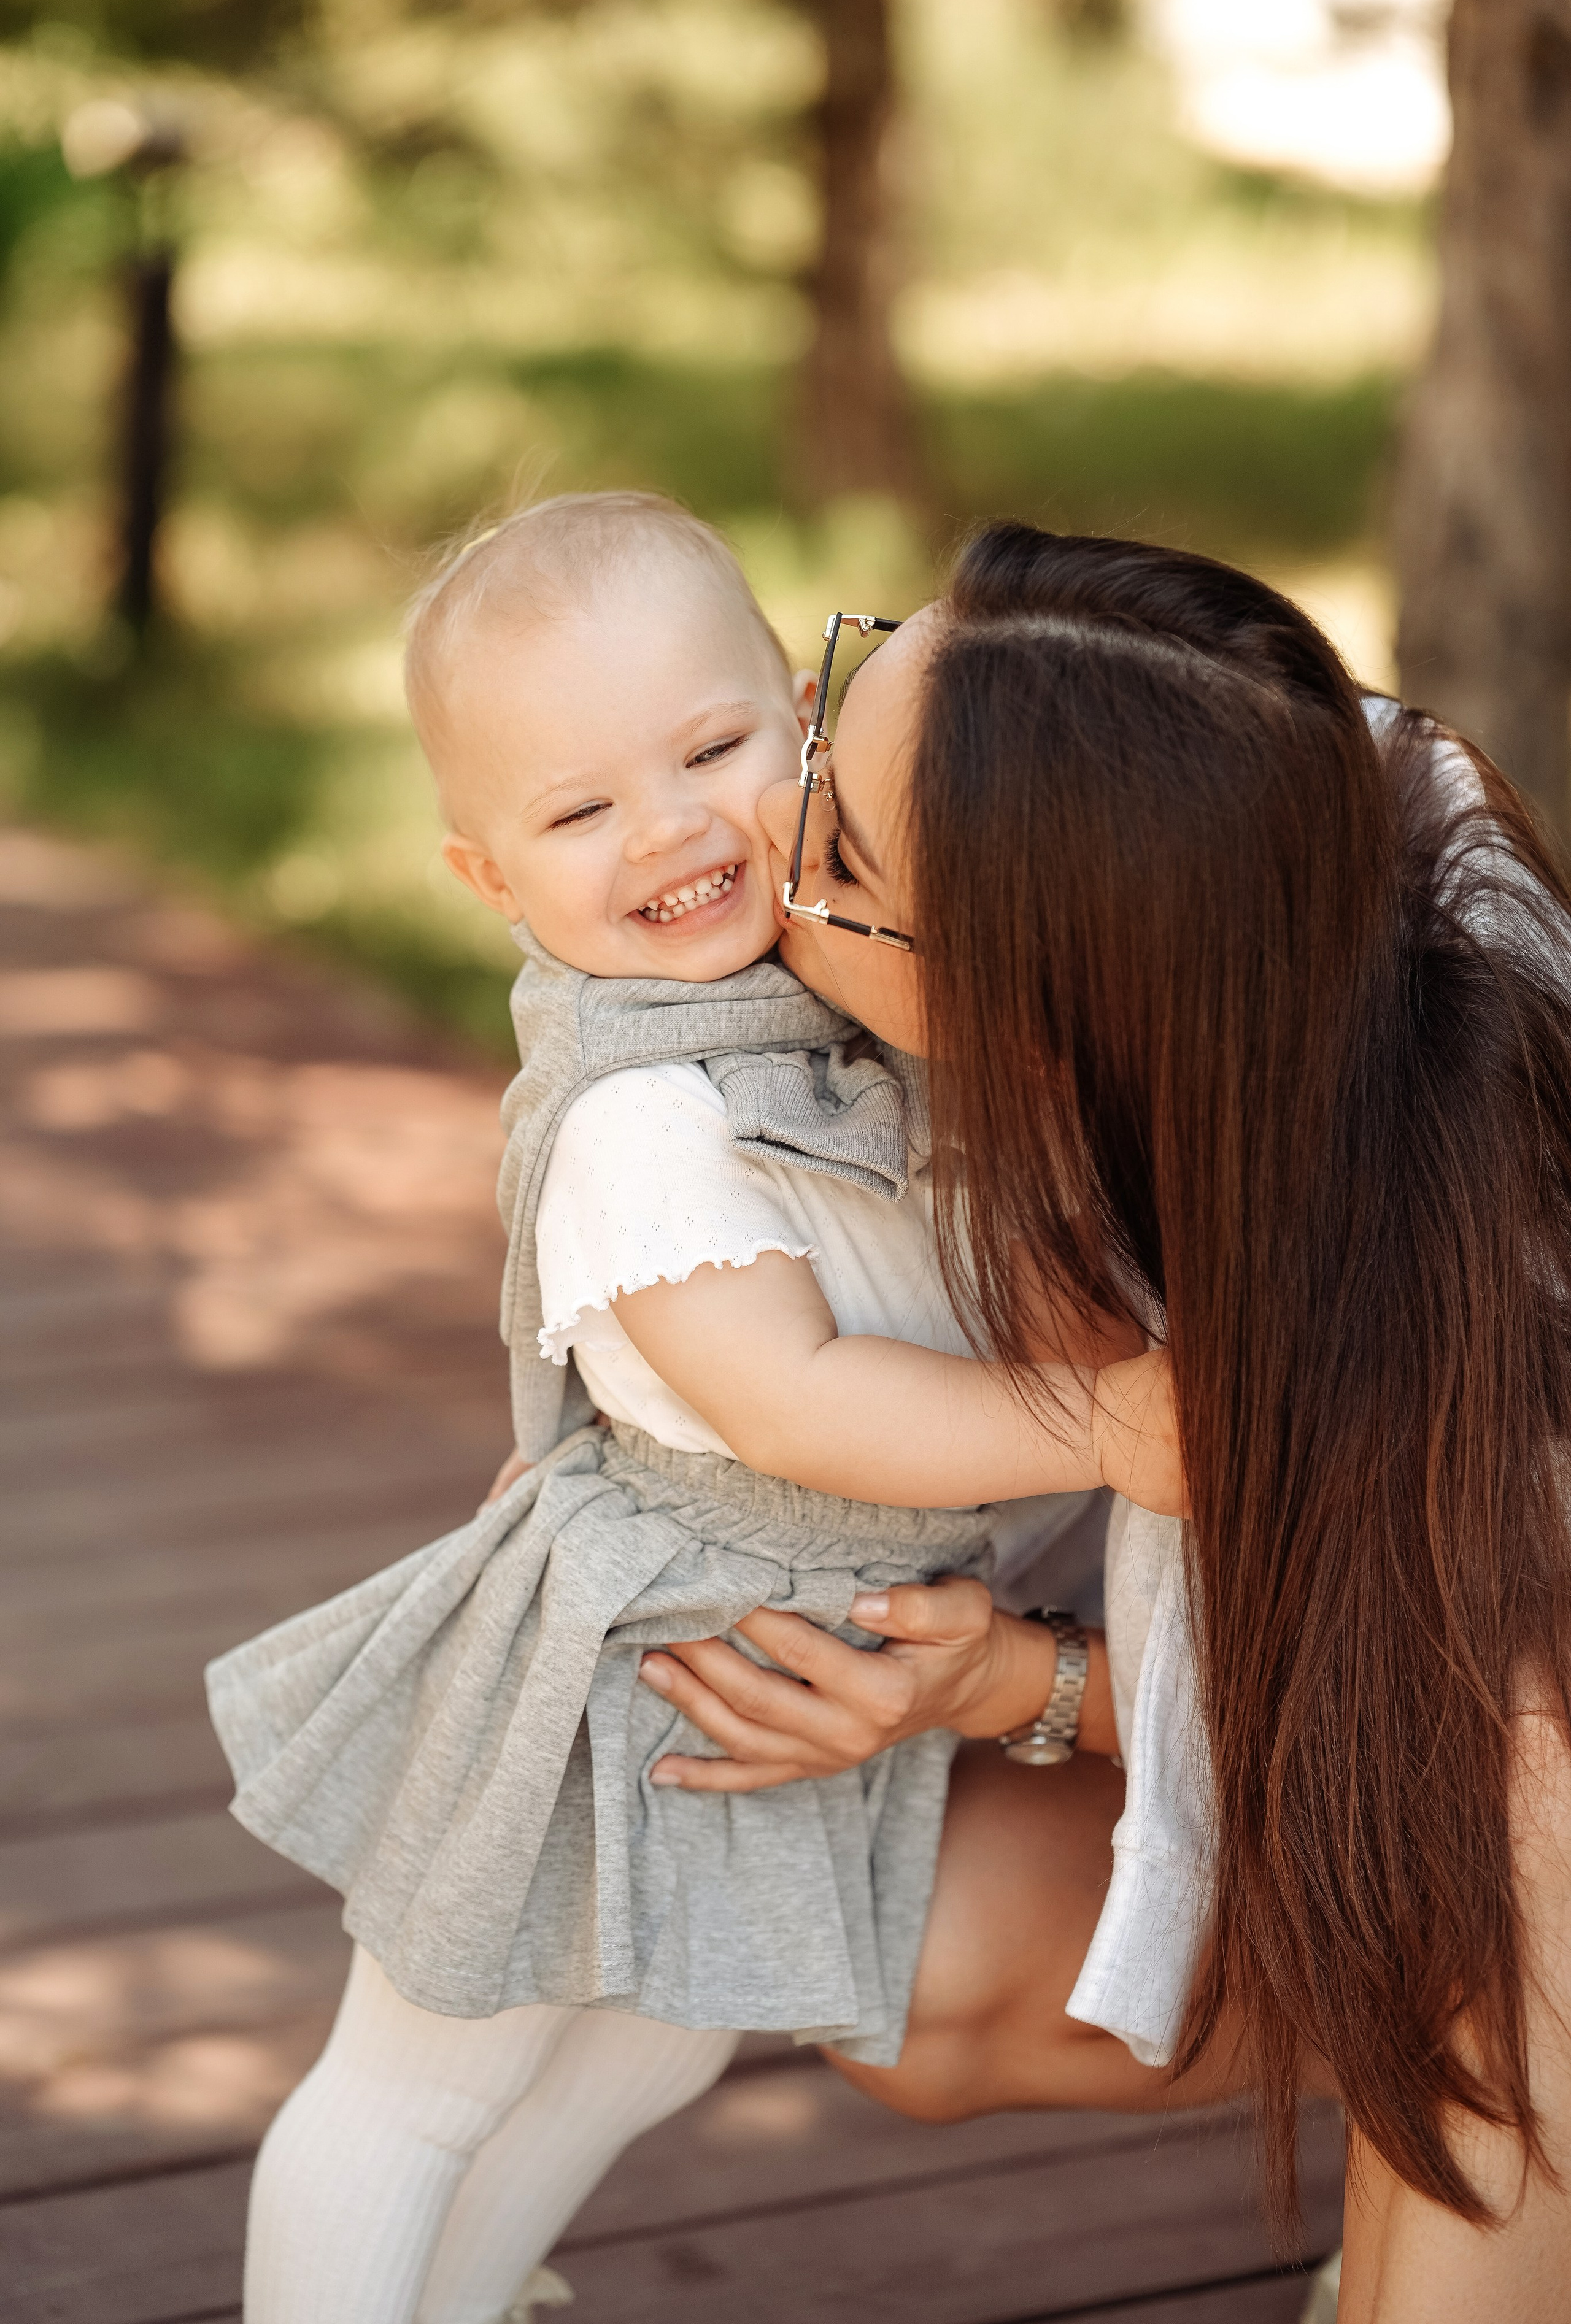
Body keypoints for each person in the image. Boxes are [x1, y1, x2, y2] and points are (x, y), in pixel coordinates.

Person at [204, 493, 1179, 2324]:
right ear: (491, 883)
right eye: (578, 812)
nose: (666, 828)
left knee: (648, 2047)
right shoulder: (643, 1119)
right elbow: (799, 1399)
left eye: (713, 749)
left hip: (755, 1657)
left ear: (809, 742)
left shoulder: (823, 1005)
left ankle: (463, 2300)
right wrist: (1108, 1426)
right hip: (623, 1653)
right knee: (428, 2083)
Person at [644, 522, 1571, 2322]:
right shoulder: (1231, 858)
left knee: (1504, 1936)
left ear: (1046, 1014)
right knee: (916, 1958)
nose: (770, 817)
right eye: (840, 701)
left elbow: (1432, 1789)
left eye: (836, 850)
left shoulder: (1426, 1279)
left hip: (1538, 1824)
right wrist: (1014, 1681)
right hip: (1430, 1771)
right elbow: (1304, 1685)